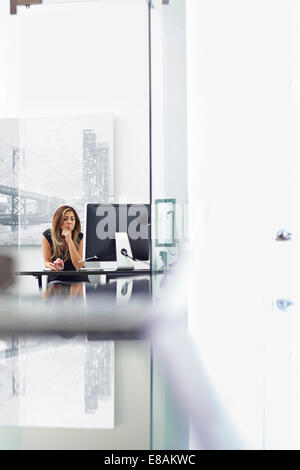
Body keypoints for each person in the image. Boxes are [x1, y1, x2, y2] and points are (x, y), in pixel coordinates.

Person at [42, 205, 89, 284]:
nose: (69, 222)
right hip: (57, 278)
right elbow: (47, 262)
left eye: (72, 219)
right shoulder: (47, 235)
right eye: (65, 219)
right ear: (58, 221)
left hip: (78, 278)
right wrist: (54, 265)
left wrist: (69, 240)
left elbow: (79, 265)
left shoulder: (80, 236)